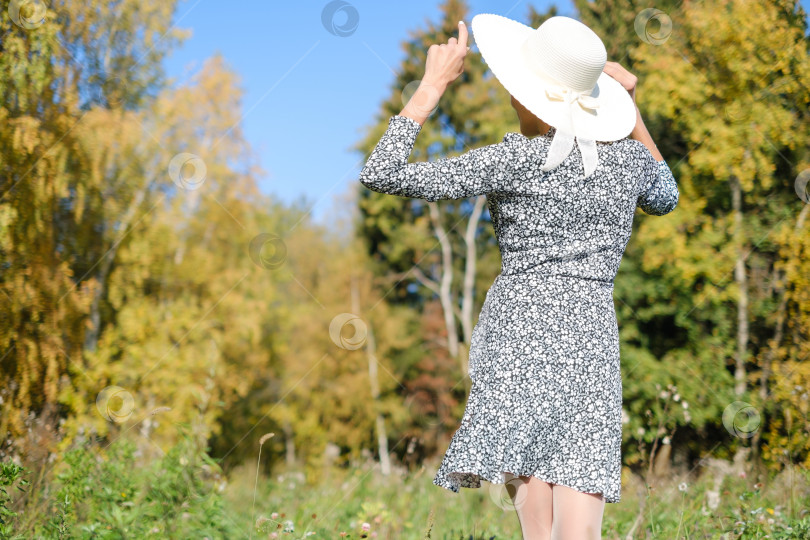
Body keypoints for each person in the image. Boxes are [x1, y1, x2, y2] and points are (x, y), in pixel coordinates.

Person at [358, 14, 678, 540]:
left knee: (538, 530)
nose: (511, 98)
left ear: (533, 99)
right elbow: (665, 196)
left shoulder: (515, 159)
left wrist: (432, 85)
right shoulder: (630, 166)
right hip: (589, 340)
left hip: (519, 337)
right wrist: (630, 111)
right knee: (579, 530)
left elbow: (382, 172)